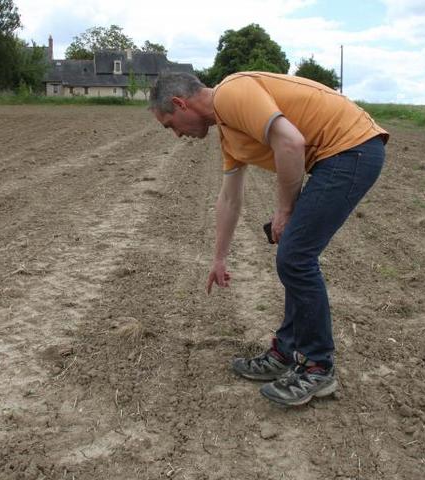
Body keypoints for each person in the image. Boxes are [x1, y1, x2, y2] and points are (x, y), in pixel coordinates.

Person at [149, 71, 388, 407]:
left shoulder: (231, 93)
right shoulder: (230, 135)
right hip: (340, 156)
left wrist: (285, 211)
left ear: (179, 103)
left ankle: (318, 366)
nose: (176, 135)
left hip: (352, 149)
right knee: (293, 255)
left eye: (170, 124)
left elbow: (290, 142)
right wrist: (219, 258)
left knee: (295, 257)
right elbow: (229, 197)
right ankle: (287, 351)